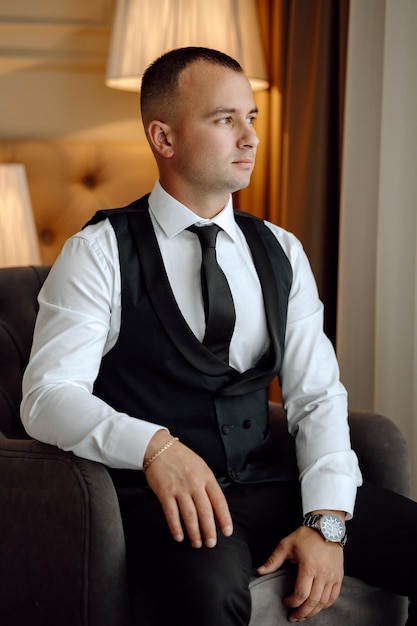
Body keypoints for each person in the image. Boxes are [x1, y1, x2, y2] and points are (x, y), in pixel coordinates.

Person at [21, 47, 417, 625]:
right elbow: (47, 396)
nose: (250, 137)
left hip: (270, 482)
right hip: (166, 503)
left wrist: (326, 522)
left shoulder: (282, 251)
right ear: (164, 138)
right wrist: (156, 447)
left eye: (251, 118)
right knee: (211, 597)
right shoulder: (98, 252)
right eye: (224, 119)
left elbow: (316, 396)